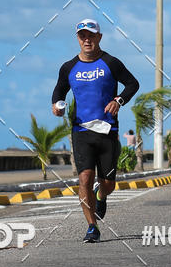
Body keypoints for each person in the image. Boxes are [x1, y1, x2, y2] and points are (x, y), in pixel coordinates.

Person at [52, 19, 139, 243]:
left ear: (99, 37)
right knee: (84, 178)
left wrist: (118, 101)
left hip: (108, 129)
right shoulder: (69, 67)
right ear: (78, 38)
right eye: (82, 36)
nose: (87, 40)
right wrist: (57, 106)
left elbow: (132, 84)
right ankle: (92, 226)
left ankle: (102, 195)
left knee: (108, 183)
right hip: (81, 130)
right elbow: (59, 91)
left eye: (91, 35)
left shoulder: (111, 62)